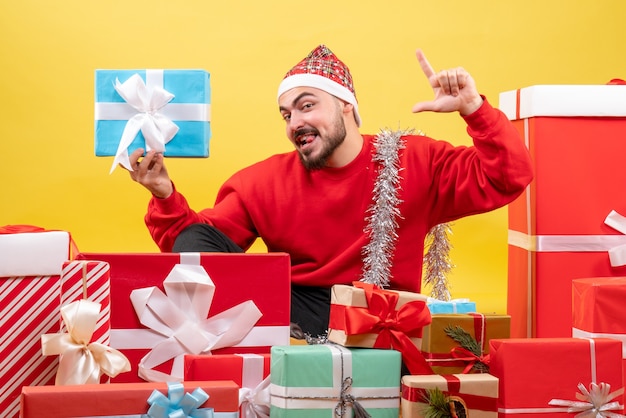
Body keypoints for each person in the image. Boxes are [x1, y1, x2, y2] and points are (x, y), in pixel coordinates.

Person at [125, 45, 533, 337]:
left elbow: (508, 177)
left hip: (380, 321)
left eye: (306, 106)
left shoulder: (416, 160)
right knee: (199, 238)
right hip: (290, 312)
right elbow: (192, 247)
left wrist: (474, 110)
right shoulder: (261, 181)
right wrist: (164, 194)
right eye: (286, 114)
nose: (293, 123)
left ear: (346, 107)